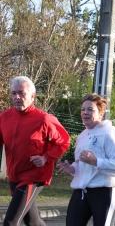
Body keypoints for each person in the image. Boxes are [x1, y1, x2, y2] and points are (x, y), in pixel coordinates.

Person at [0, 76, 70, 226]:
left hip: (34, 176)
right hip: (14, 175)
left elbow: (63, 141)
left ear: (32, 96)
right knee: (33, 221)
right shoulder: (4, 117)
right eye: (14, 93)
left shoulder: (44, 119)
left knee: (11, 222)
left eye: (21, 93)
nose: (17, 97)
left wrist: (46, 157)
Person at [57, 93, 115, 226]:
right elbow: (83, 165)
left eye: (90, 109)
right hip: (82, 191)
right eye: (83, 109)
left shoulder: (114, 133)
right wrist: (72, 168)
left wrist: (96, 161)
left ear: (101, 114)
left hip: (104, 190)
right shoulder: (82, 136)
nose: (85, 112)